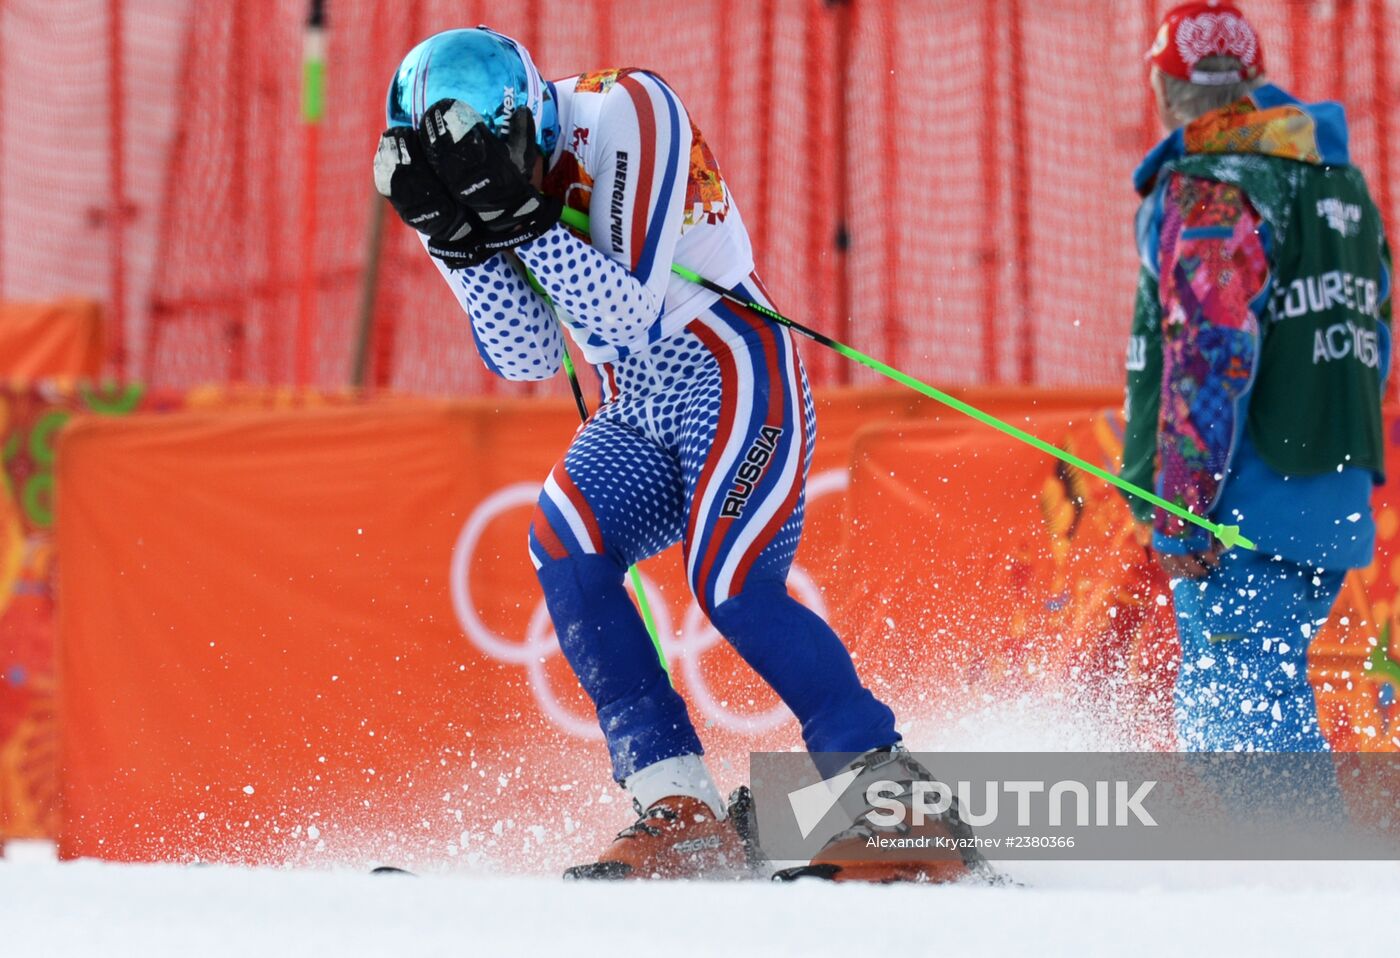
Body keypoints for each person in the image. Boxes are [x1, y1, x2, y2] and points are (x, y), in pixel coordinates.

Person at [373, 26, 975, 881]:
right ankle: (678, 807)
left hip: (731, 361)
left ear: (532, 122)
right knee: (564, 541)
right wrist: (462, 244)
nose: (506, 175)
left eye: (507, 158)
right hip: (640, 399)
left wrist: (518, 217)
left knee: (730, 584)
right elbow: (529, 356)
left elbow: (626, 310)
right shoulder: (475, 188)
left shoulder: (628, 110)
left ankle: (897, 802)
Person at [1122, 1, 1390, 751]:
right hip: (1329, 486)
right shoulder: (1340, 184)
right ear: (1255, 78)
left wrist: (1180, 507)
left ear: (1167, 89)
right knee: (1259, 703)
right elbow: (1377, 332)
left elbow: (1208, 355)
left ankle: (1299, 868)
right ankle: (1302, 866)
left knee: (1235, 726)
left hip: (1242, 507)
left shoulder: (1214, 185)